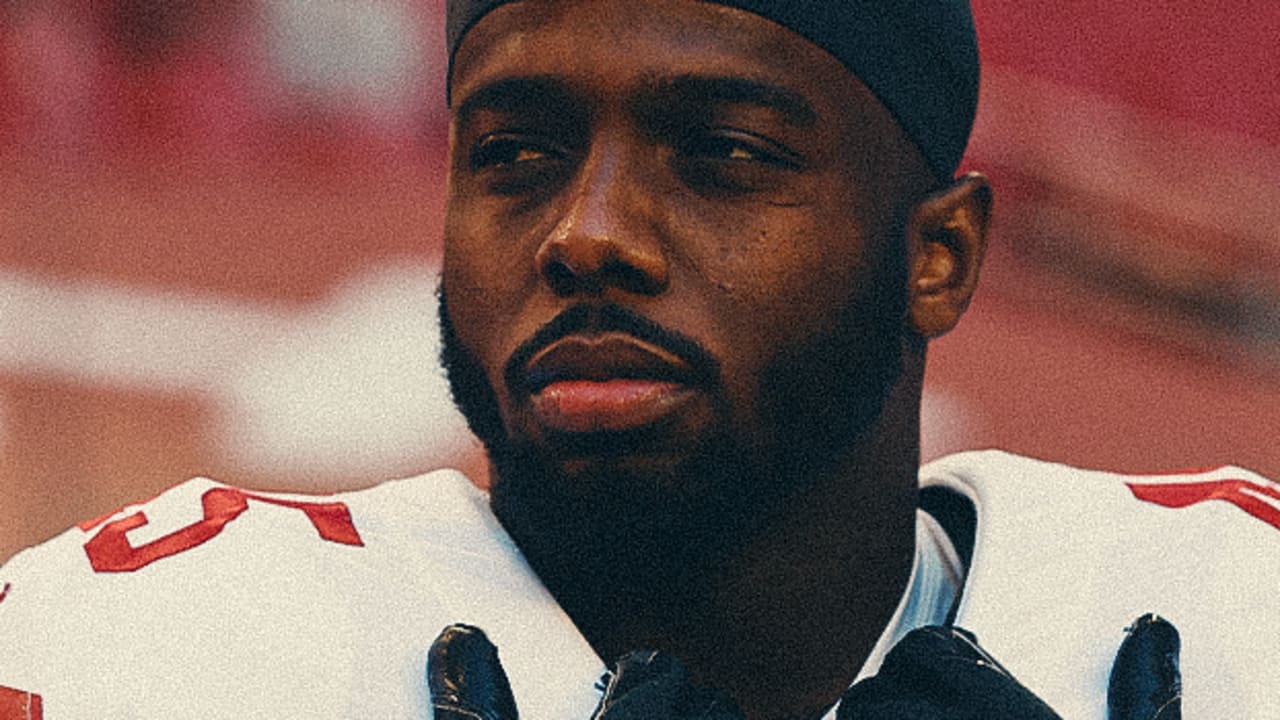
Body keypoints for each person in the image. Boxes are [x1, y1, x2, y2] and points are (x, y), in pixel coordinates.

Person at [0, 1, 1276, 718]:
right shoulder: (158, 655)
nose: (586, 234)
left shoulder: (1238, 622)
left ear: (935, 255)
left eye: (720, 151)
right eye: (515, 155)